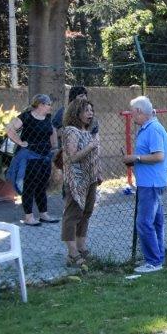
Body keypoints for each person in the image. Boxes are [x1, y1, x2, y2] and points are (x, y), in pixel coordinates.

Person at [123, 96, 167, 273]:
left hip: (151, 183)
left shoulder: (153, 129)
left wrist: (135, 158)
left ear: (140, 112)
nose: (131, 116)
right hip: (149, 182)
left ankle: (153, 261)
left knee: (143, 222)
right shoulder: (146, 128)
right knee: (156, 222)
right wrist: (134, 160)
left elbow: (159, 156)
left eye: (133, 112)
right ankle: (158, 257)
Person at [5, 94, 59, 226]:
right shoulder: (27, 116)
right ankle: (29, 217)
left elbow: (52, 132)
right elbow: (9, 129)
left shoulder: (47, 117)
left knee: (42, 185)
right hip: (31, 157)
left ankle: (43, 214)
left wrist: (54, 147)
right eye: (48, 104)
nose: (50, 107)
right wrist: (20, 142)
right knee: (30, 186)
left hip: (45, 157)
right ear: (40, 105)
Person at [60, 97, 101, 267]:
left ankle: (81, 246)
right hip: (76, 180)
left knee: (87, 213)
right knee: (73, 215)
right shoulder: (71, 131)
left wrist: (98, 173)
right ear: (77, 113)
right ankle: (72, 252)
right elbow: (72, 157)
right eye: (86, 110)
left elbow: (95, 156)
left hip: (91, 178)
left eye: (91, 110)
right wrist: (90, 147)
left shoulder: (89, 132)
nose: (90, 113)